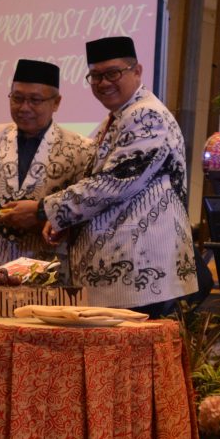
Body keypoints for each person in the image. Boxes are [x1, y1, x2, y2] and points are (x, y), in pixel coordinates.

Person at [41, 36, 197, 312]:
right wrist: (65, 220)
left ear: (137, 71)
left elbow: (113, 183)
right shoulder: (119, 116)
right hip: (124, 272)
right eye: (95, 76)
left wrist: (44, 210)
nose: (103, 83)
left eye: (112, 73)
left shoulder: (146, 115)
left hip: (141, 271)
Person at [0, 59, 95, 266]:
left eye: (35, 100)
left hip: (45, 265)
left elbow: (85, 208)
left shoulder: (82, 148)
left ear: (56, 102)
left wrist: (43, 218)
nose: (24, 107)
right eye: (17, 98)